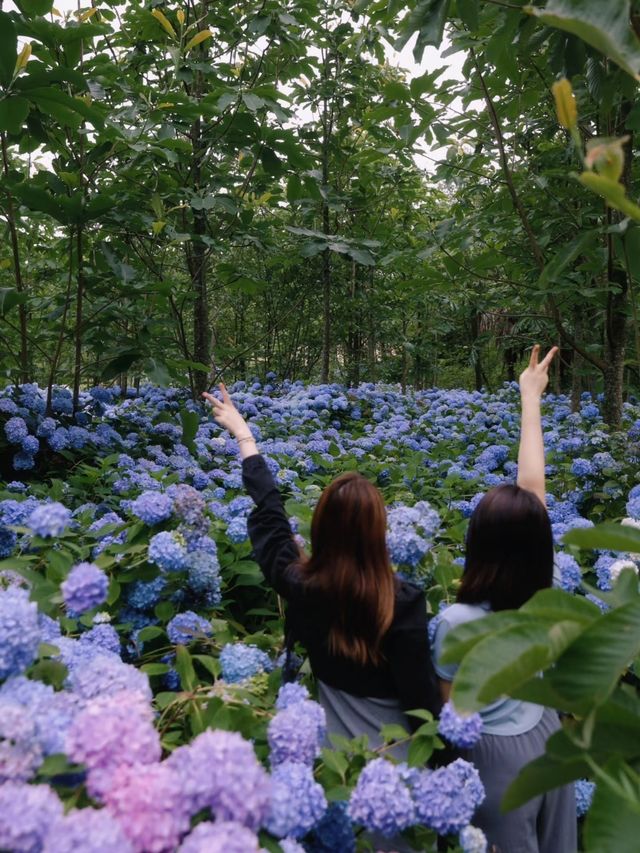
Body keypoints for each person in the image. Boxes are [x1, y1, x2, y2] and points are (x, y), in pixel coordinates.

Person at [202, 385, 442, 760]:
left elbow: (272, 519)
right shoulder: (403, 604)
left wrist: (243, 435)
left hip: (333, 768)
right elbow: (424, 710)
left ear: (320, 529)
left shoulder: (303, 587)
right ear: (379, 534)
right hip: (399, 772)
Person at [432, 344, 577, 853]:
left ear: (477, 546)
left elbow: (452, 723)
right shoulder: (548, 597)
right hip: (550, 741)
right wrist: (530, 400)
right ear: (540, 545)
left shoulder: (456, 622)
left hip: (495, 761)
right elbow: (532, 492)